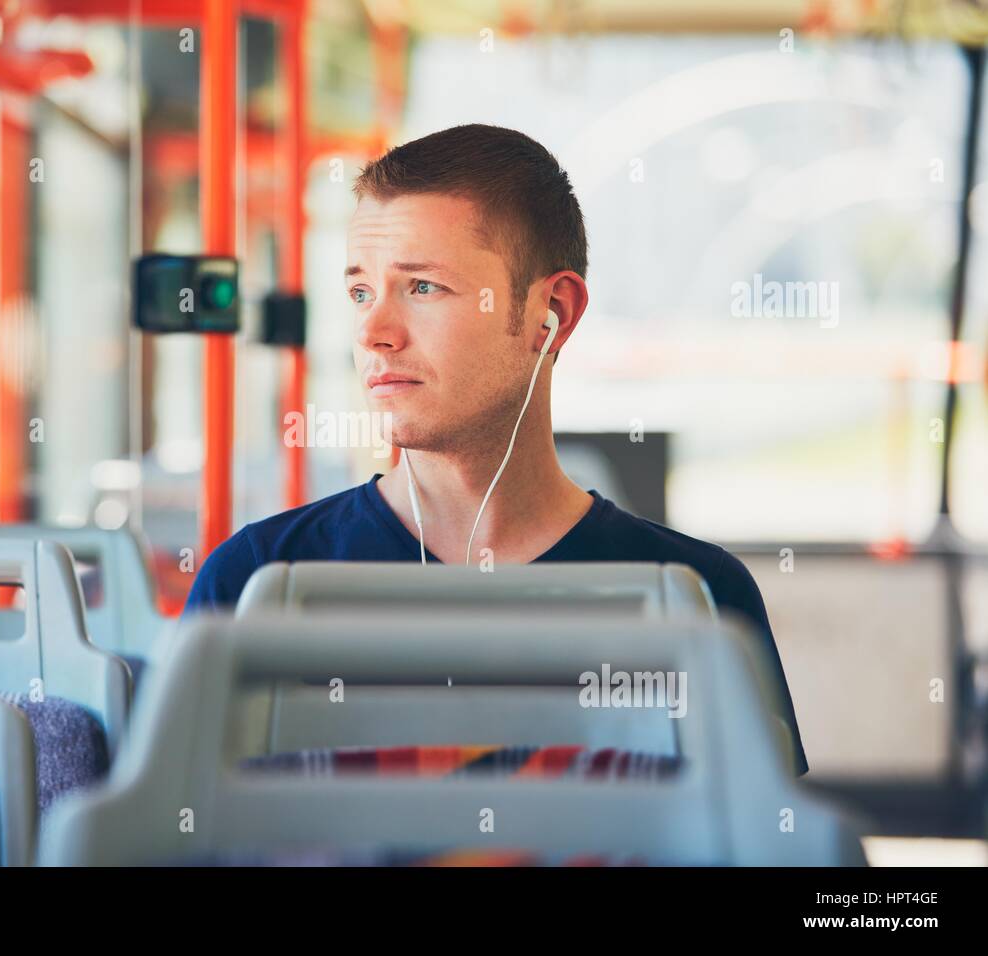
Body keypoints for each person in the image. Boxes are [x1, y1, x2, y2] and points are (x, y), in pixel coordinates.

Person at [183, 123, 808, 775]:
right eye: (360, 292)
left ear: (553, 313)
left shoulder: (699, 600)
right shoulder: (253, 583)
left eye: (422, 287)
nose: (372, 332)